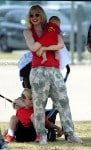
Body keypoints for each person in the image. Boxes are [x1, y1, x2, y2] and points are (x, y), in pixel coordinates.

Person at [23, 5, 83, 144]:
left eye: (37, 15)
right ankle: (41, 135)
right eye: (31, 15)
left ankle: (70, 134)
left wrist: (44, 46)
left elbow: (60, 44)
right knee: (39, 105)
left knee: (63, 102)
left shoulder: (51, 27)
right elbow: (32, 47)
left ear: (42, 15)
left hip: (55, 70)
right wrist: (48, 39)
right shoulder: (28, 32)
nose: (34, 18)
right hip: (38, 70)